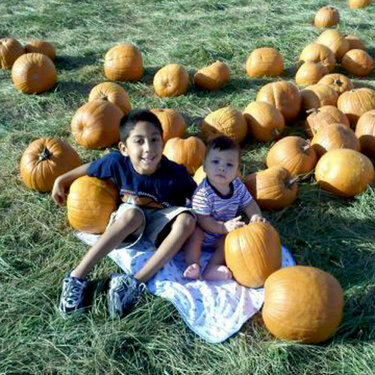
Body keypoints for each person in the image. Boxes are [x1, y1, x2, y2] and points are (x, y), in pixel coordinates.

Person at [52, 109, 197, 317]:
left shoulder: (176, 173)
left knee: (187, 220)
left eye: (154, 140)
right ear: (124, 148)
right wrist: (61, 179)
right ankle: (76, 277)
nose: (148, 148)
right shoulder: (116, 163)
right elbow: (90, 167)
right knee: (132, 215)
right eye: (139, 141)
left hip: (160, 221)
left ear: (163, 142)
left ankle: (134, 283)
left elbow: (200, 197)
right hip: (130, 220)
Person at [183, 135, 266, 281]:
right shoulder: (203, 193)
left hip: (223, 233)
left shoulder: (238, 186)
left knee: (231, 240)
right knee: (195, 235)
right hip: (205, 231)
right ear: (205, 166)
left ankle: (212, 268)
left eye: (229, 165)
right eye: (215, 162)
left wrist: (255, 216)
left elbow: (249, 203)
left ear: (236, 169)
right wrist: (223, 227)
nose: (222, 168)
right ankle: (193, 264)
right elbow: (203, 220)